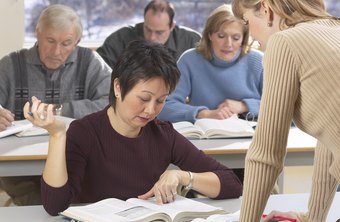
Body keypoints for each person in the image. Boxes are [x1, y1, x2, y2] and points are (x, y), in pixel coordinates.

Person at [23, 39, 243, 216]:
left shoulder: (163, 134)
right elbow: (55, 206)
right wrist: (57, 135)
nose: (150, 110)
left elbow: (232, 184)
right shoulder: (84, 132)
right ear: (118, 87)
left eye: (160, 101)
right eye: (144, 98)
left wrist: (183, 177)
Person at [231, 0, 340, 221]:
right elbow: (331, 136)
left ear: (265, 9)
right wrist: (314, 217)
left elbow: (266, 154)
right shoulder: (334, 29)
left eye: (245, 21)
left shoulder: (285, 42)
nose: (248, 36)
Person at [0, 4, 112, 206]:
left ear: (77, 42)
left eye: (66, 43)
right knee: (43, 203)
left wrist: (57, 111)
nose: (56, 51)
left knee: (79, 197)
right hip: (20, 172)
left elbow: (112, 103)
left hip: (76, 164)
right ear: (37, 34)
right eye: (50, 41)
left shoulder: (91, 62)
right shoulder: (9, 65)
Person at [157, 4, 263, 124]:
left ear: (243, 39)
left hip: (253, 134)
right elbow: (164, 106)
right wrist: (205, 114)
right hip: (205, 135)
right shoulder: (190, 60)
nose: (228, 44)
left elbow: (282, 105)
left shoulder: (259, 61)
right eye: (221, 36)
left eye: (236, 38)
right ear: (209, 35)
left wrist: (244, 106)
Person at [96, 0, 201, 68]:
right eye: (148, 29)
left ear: (172, 26)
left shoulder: (191, 41)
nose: (152, 37)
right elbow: (101, 77)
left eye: (159, 32)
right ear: (144, 21)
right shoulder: (119, 40)